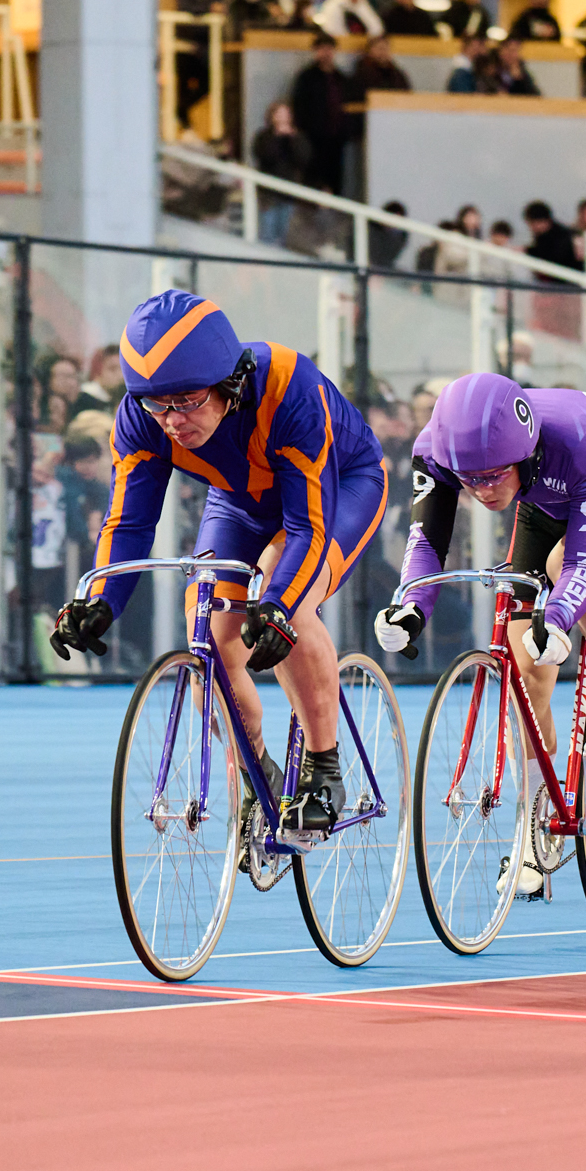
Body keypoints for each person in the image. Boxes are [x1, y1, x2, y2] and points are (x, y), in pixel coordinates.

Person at [51, 291, 388, 842]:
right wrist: (102, 601)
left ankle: (324, 767)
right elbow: (129, 523)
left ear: (230, 382)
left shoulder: (287, 388)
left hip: (341, 486)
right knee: (208, 631)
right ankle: (259, 773)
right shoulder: (142, 417)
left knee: (287, 595)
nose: (172, 422)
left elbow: (307, 528)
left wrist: (279, 605)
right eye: (155, 405)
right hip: (237, 498)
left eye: (185, 400)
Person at [381, 375, 586, 879]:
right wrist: (411, 605)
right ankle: (538, 825)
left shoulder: (585, 438)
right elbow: (427, 539)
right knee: (526, 670)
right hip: (542, 504)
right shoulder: (437, 447)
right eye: (468, 479)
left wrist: (558, 618)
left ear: (525, 452)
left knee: (567, 569)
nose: (481, 491)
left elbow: (583, 562)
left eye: (493, 476)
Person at [290, 33, 353, 193]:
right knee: (314, 178)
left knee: (335, 178)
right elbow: (298, 105)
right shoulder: (306, 78)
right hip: (313, 137)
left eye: (329, 49)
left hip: (336, 138)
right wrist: (302, 130)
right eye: (322, 49)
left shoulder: (341, 79)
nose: (326, 53)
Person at [250, 100, 310, 245]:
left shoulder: (298, 137)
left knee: (285, 234)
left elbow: (304, 159)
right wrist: (277, 137)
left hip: (289, 192)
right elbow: (265, 155)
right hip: (268, 193)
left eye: (286, 114)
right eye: (279, 114)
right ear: (272, 116)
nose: (282, 118)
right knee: (267, 233)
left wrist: (291, 139)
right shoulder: (264, 137)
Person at [522, 199, 580, 274]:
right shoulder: (550, 235)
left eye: (532, 223)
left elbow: (552, 258)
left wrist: (527, 251)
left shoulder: (562, 237)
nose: (531, 228)